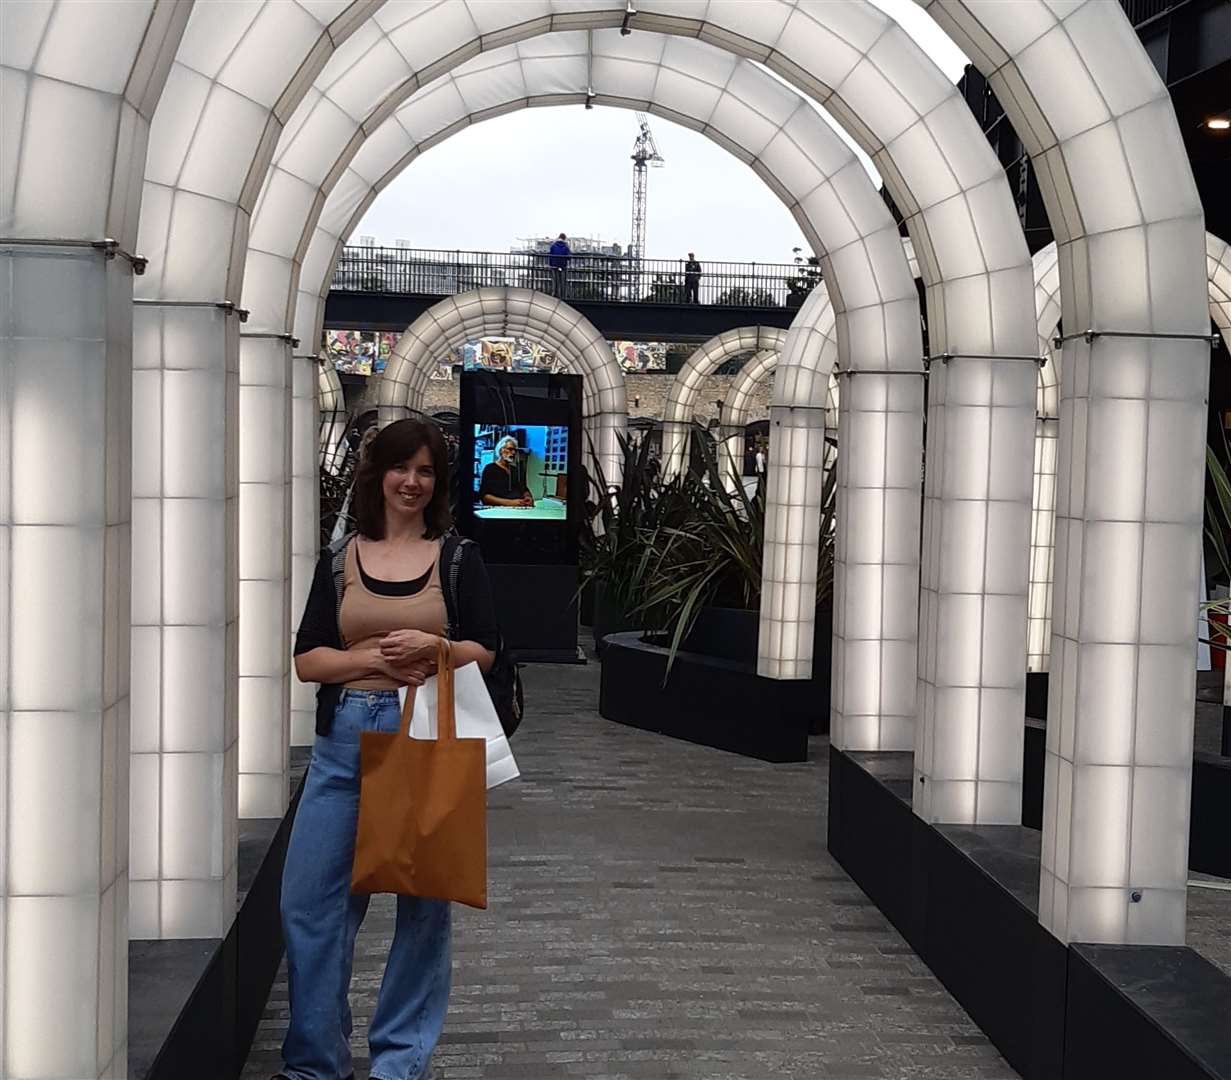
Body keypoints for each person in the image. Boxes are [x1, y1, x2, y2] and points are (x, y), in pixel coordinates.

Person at [276, 418, 498, 1080]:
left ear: (438, 484)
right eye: (403, 468)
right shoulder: (339, 557)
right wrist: (368, 659)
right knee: (308, 904)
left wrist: (437, 651)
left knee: (422, 907)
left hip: (423, 735)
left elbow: (485, 649)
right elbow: (308, 660)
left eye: (427, 471)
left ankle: (398, 1064)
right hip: (344, 742)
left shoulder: (457, 557)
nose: (413, 481)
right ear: (379, 476)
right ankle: (315, 1063)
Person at [478, 435, 535, 508]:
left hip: (519, 508)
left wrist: (528, 497)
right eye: (510, 449)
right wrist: (509, 503)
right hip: (498, 510)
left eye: (515, 450)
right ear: (501, 450)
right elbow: (484, 497)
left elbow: (524, 489)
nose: (513, 453)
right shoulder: (490, 469)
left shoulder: (516, 470)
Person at [548, 232, 570, 297]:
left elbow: (550, 256)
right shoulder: (566, 246)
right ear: (564, 239)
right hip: (563, 266)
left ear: (559, 238)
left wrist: (550, 265)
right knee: (563, 282)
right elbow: (569, 257)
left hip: (554, 266)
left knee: (555, 282)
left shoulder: (553, 245)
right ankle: (563, 296)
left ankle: (554, 295)